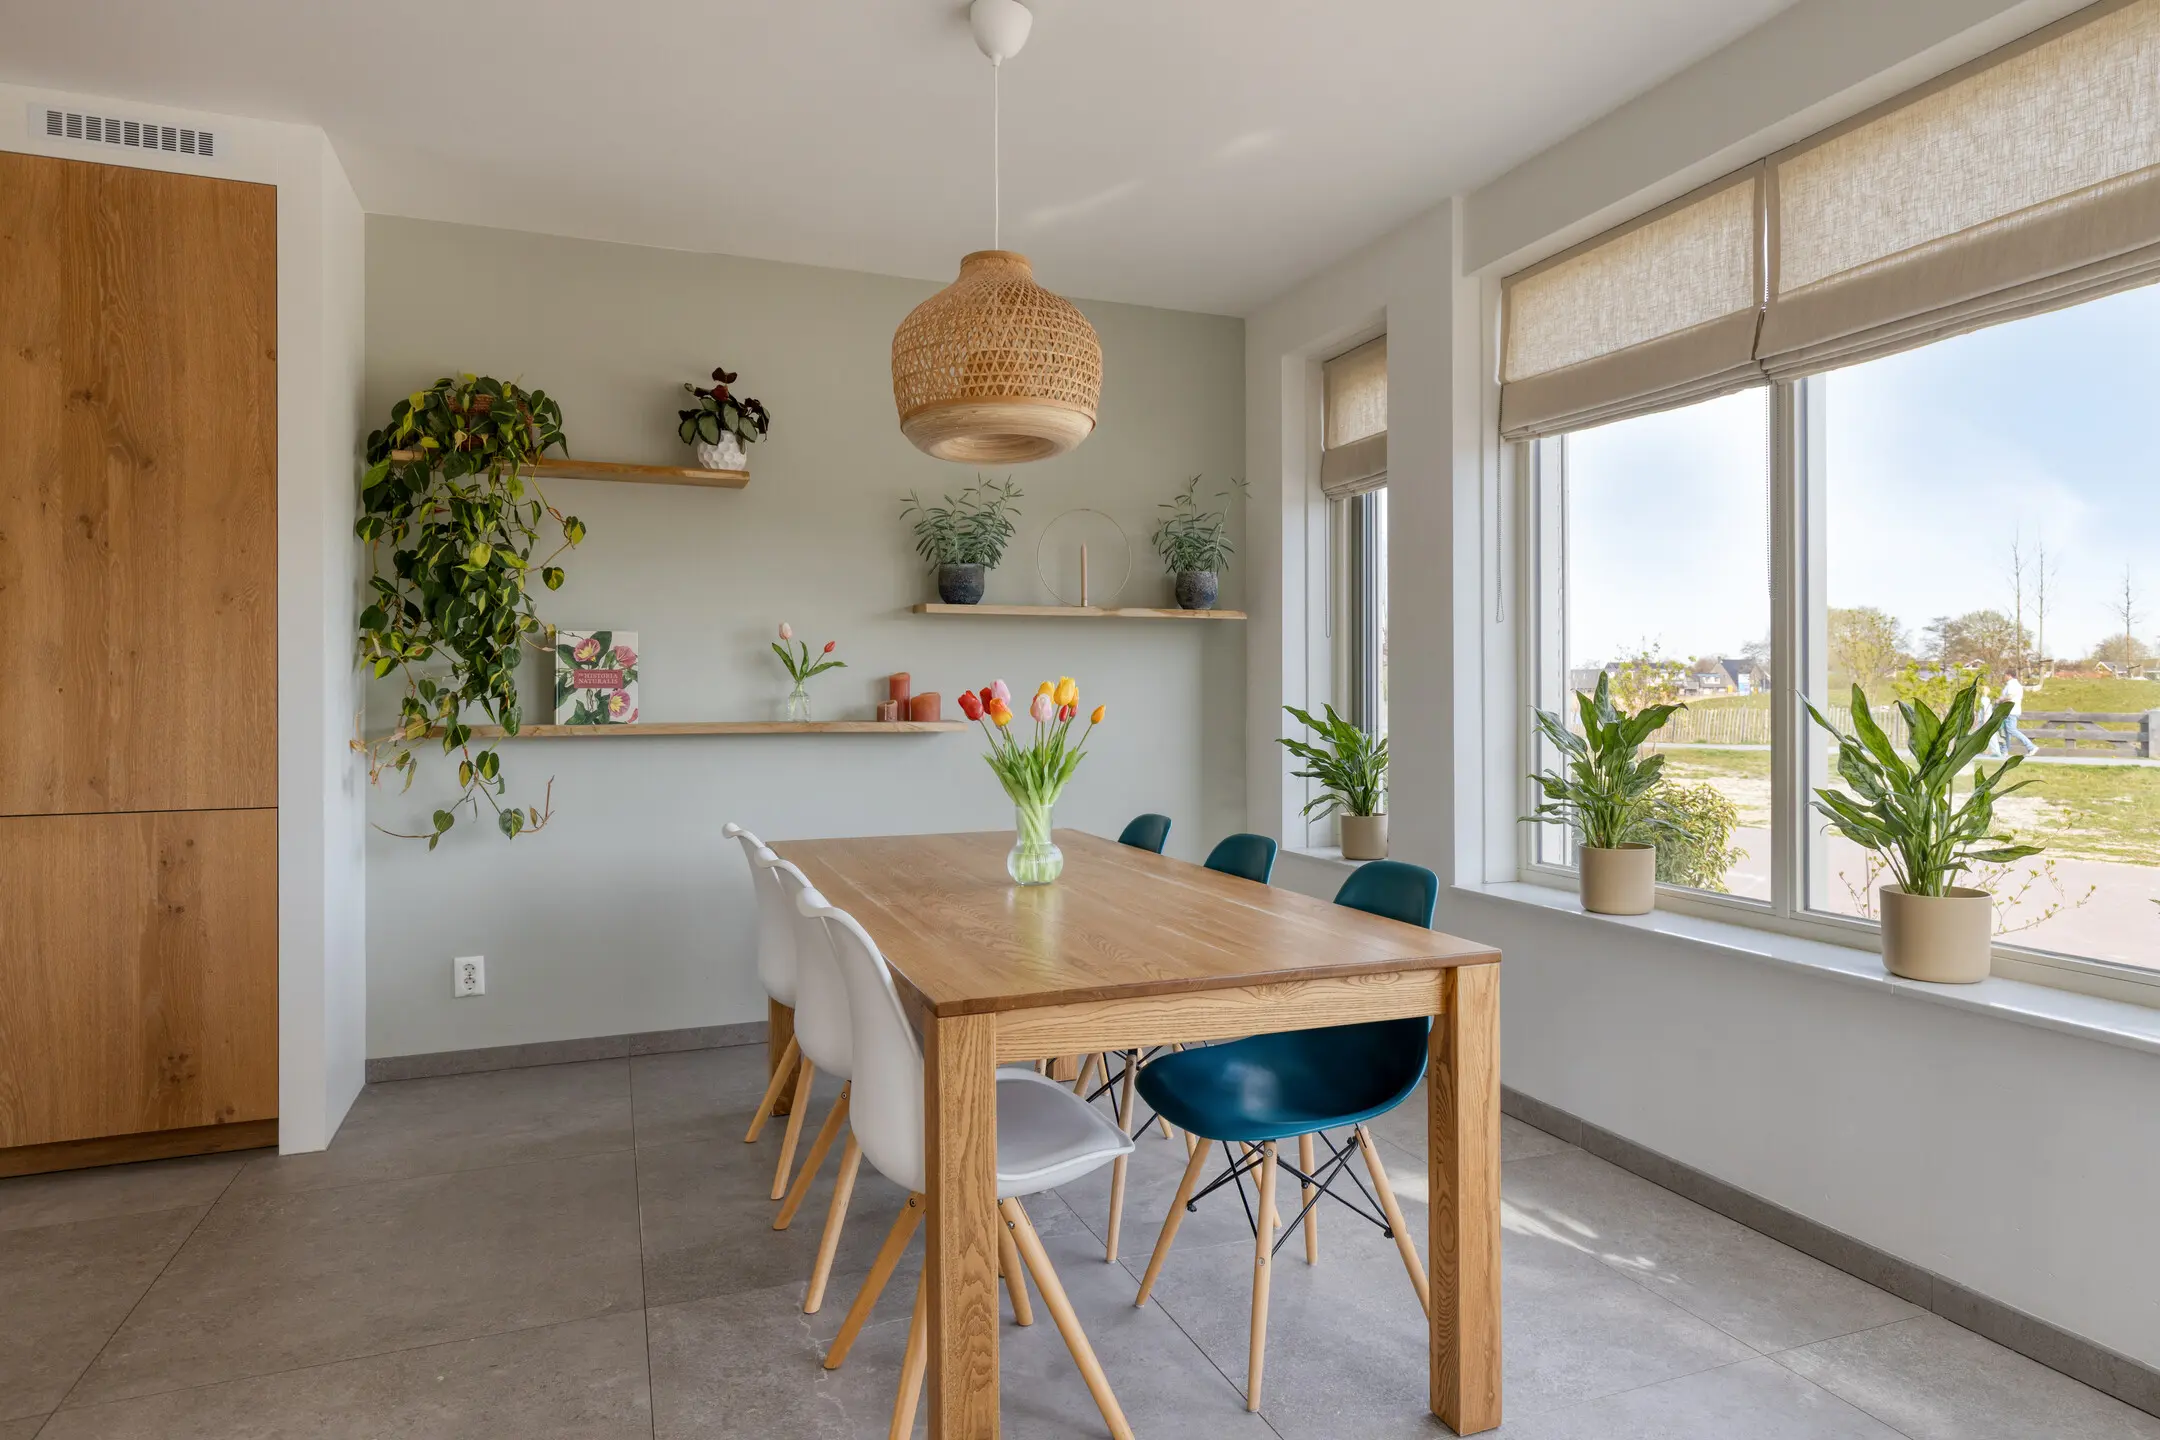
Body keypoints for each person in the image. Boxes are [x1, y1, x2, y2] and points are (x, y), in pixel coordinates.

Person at [1990, 669, 2039, 759]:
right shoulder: (2012, 684)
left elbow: (2010, 696)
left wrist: (1999, 700)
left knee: (2011, 730)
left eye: (2005, 675)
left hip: (2011, 711)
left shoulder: (2012, 685)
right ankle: (2004, 751)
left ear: (2009, 675)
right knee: (2006, 731)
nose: (2004, 677)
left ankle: (2031, 747)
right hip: (2009, 710)